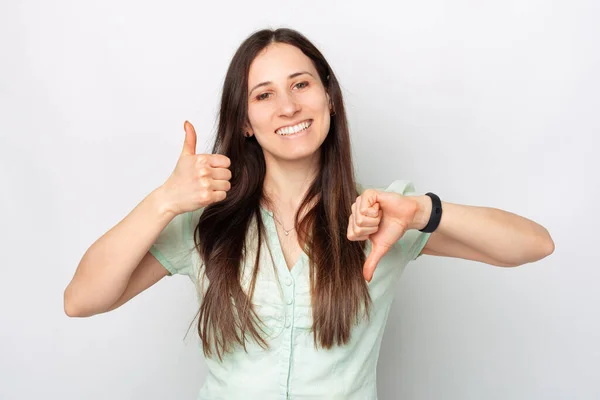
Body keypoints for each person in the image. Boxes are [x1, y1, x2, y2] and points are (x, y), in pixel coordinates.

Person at [64, 28, 555, 400]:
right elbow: (81, 299)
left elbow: (534, 245)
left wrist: (421, 210)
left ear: (330, 99)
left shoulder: (382, 215)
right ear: (246, 123)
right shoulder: (205, 223)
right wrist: (165, 200)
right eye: (264, 94)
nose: (288, 106)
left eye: (301, 84)